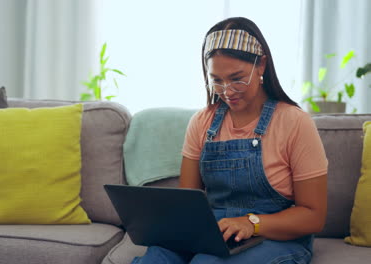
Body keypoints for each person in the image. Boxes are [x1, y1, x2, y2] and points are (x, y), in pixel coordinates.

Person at [131, 17, 328, 264]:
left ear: (261, 65)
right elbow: (188, 204)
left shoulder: (295, 122)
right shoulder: (202, 122)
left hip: (275, 237)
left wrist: (252, 223)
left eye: (237, 78)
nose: (227, 91)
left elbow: (313, 216)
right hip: (215, 233)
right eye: (217, 80)